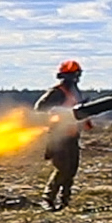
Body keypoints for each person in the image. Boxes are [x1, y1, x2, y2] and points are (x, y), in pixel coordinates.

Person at [33, 60, 88, 210]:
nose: (74, 79)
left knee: (72, 169)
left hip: (72, 135)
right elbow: (40, 108)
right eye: (72, 75)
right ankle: (48, 198)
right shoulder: (56, 92)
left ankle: (65, 200)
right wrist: (58, 114)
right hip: (58, 136)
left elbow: (77, 111)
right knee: (62, 168)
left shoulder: (75, 92)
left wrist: (85, 121)